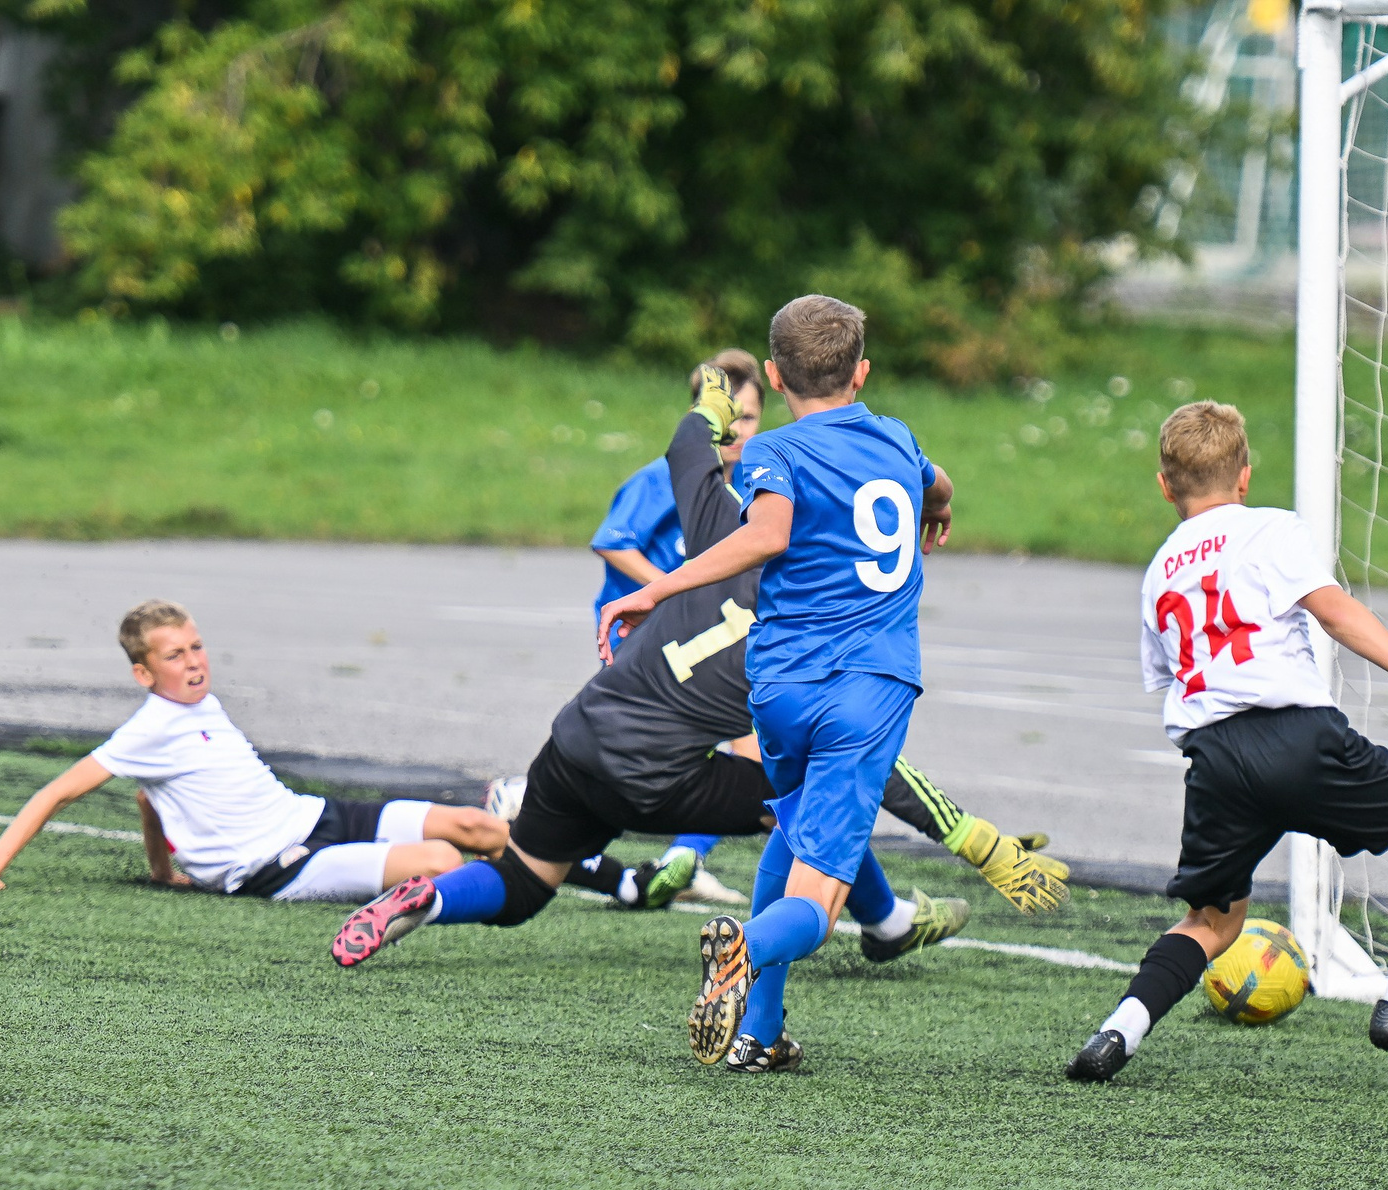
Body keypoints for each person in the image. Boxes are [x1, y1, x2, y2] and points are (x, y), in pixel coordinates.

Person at [333, 363, 1068, 1066]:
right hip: (655, 777)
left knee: (523, 883)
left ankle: (432, 898)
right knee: (804, 805)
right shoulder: (794, 636)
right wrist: (971, 837)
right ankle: (873, 930)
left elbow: (689, 452)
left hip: (578, 736)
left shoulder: (718, 528)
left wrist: (707, 416)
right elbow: (868, 761)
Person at [1064, 401, 1388, 1083]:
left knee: (1212, 922)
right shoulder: (1269, 529)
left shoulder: (1159, 571)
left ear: (1164, 485)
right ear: (1244, 476)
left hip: (1214, 758)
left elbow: (1173, 675)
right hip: (1296, 736)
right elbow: (1335, 611)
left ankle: (1116, 1031)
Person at [598, 294, 956, 1071]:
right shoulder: (897, 438)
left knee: (791, 834)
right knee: (818, 906)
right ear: (862, 372)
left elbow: (766, 528)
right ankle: (747, 948)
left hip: (780, 690)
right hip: (865, 689)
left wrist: (656, 588)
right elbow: (926, 486)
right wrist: (939, 507)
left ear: (775, 375)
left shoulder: (776, 451)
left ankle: (759, 1033)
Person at [0, 600, 505, 902]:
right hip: (277, 866)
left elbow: (150, 799)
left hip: (313, 816)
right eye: (175, 655)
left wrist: (160, 870)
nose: (194, 661)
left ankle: (555, 881)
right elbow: (56, 794)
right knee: (442, 860)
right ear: (144, 674)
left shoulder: (204, 704)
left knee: (476, 827)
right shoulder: (148, 730)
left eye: (196, 647)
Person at [580, 350, 767, 903]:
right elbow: (612, 541)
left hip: (700, 642)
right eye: (730, 416)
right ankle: (528, 807)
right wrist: (672, 588)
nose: (738, 430)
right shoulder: (664, 478)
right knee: (652, 761)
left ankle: (683, 857)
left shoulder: (749, 483)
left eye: (750, 418)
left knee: (750, 749)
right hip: (641, 640)